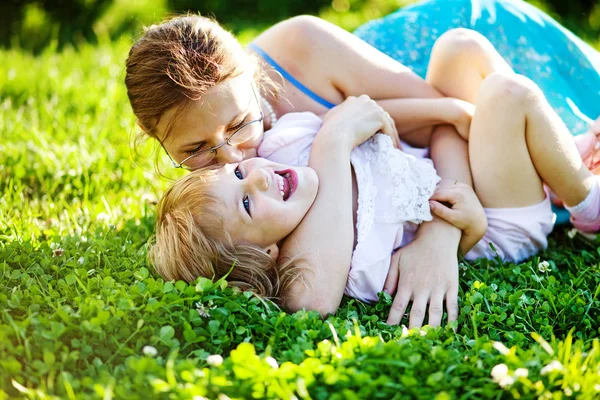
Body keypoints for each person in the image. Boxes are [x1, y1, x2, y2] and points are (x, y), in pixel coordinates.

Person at [148, 29, 600, 328]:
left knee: (460, 49)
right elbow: (313, 297)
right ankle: (585, 200)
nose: (248, 166)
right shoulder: (344, 254)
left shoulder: (282, 146)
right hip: (494, 221)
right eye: (195, 150)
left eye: (241, 170)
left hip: (444, 163)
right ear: (266, 252)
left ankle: (547, 159)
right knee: (509, 94)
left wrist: (450, 112)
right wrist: (450, 233)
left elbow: (359, 115)